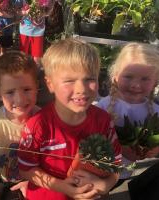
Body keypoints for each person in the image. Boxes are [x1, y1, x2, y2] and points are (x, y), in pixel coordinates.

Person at [17, 38, 122, 200]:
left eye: (89, 79)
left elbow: (115, 165)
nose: (81, 89)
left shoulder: (103, 121)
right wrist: (62, 187)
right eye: (69, 81)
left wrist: (104, 185)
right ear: (50, 84)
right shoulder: (37, 125)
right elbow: (26, 168)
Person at [96, 42, 159, 195]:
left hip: (133, 173)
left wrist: (154, 149)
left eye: (145, 79)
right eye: (128, 77)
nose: (136, 85)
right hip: (102, 173)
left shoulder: (156, 111)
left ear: (156, 82)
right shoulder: (103, 107)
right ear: (115, 77)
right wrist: (121, 148)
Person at [0, 51, 40, 200]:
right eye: (10, 92)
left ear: (36, 87)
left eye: (27, 89)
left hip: (37, 181)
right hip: (5, 184)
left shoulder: (44, 119)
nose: (20, 99)